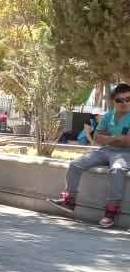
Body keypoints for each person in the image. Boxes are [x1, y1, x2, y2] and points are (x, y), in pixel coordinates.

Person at [50, 83, 130, 228]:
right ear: (114, 101)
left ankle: (111, 212)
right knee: (75, 164)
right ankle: (69, 201)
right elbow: (97, 138)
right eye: (120, 100)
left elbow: (127, 142)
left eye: (128, 99)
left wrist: (109, 137)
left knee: (117, 170)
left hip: (126, 153)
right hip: (105, 150)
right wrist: (115, 138)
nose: (124, 103)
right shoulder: (108, 116)